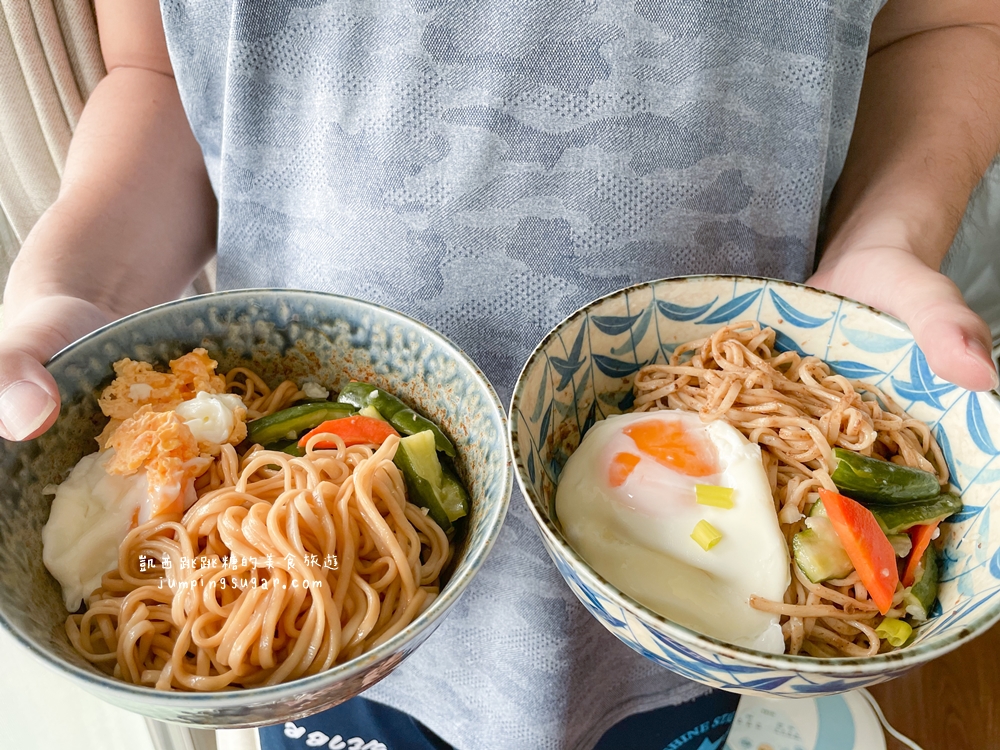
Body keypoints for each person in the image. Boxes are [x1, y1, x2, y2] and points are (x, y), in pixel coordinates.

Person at [2, 1, 998, 748]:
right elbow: (163, 69)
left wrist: (886, 236)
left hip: (697, 611)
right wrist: (77, 282)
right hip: (303, 619)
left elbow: (942, 23)